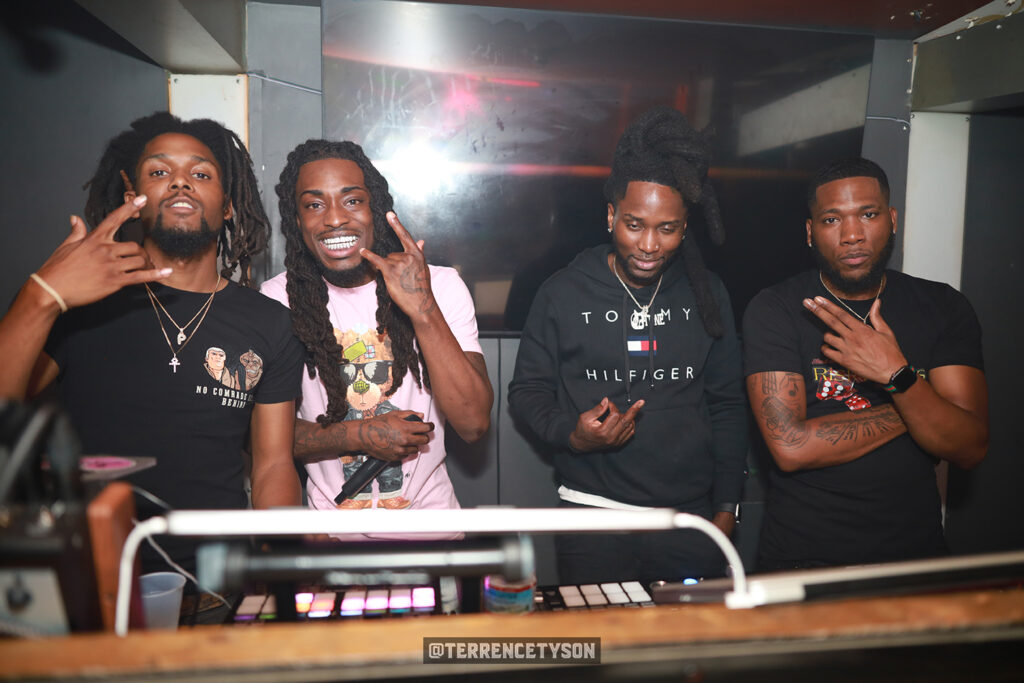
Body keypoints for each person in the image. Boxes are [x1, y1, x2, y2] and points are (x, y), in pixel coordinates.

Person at [0, 112, 304, 574]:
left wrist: (275, 569)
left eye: (201, 174)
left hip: (219, 583)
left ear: (227, 206)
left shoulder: (270, 323)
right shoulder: (79, 305)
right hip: (93, 580)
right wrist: (41, 296)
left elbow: (272, 467)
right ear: (133, 201)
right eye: (160, 172)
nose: (180, 183)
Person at [507, 106, 748, 585]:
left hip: (688, 519)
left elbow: (727, 404)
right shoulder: (563, 291)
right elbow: (527, 392)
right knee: (599, 633)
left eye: (667, 229)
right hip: (592, 516)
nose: (649, 245)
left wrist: (726, 506)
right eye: (634, 224)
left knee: (687, 636)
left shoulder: (708, 293)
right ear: (611, 215)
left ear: (685, 226)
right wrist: (573, 434)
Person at [743, 157, 988, 571]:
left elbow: (970, 446)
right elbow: (790, 447)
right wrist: (913, 399)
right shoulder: (778, 308)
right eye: (832, 220)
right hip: (804, 559)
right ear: (810, 232)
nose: (852, 235)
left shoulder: (943, 306)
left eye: (868, 215)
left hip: (915, 559)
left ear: (892, 220)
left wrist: (896, 375)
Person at [260, 140, 492, 530]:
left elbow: (473, 423)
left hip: (432, 537)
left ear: (376, 210)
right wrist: (361, 434)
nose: (335, 219)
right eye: (314, 205)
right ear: (297, 222)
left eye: (352, 201)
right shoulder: (276, 299)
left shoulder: (441, 285)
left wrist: (422, 307)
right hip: (331, 540)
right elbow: (265, 441)